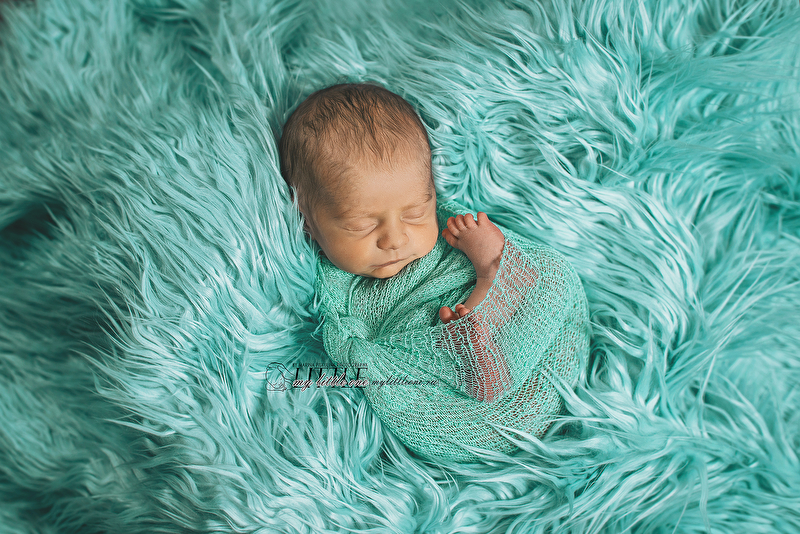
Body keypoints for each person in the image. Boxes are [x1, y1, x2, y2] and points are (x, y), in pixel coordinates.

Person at [279, 82, 590, 462]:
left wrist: (487, 247)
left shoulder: (447, 227)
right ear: (307, 221)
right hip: (473, 420)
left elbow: (543, 275)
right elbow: (367, 358)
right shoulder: (335, 288)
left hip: (538, 366)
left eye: (415, 213)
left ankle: (494, 278)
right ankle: (476, 346)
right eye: (361, 225)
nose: (395, 239)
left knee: (549, 273)